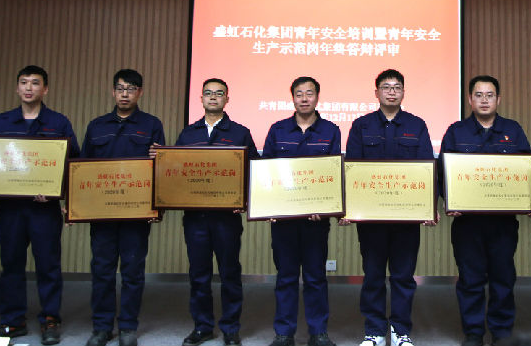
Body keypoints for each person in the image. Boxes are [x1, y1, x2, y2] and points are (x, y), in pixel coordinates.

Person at [0, 65, 80, 346]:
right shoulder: (1, 123)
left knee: (48, 265)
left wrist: (57, 192)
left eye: (35, 83)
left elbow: (73, 163)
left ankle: (50, 319)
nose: (28, 88)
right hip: (10, 209)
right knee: (11, 263)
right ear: (17, 88)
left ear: (45, 89)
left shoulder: (58, 123)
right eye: (24, 82)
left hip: (43, 209)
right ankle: (12, 320)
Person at [344, 69, 436, 346]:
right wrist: (348, 207)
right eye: (386, 87)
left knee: (403, 277)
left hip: (406, 217)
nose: (392, 92)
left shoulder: (417, 125)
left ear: (403, 92)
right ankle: (374, 331)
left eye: (397, 87)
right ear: (377, 93)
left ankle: (400, 330)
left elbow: (426, 168)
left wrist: (429, 207)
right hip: (371, 219)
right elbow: (352, 169)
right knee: (373, 276)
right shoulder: (361, 125)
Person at [439, 75, 531, 346]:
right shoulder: (456, 131)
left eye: (489, 95)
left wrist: (528, 201)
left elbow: (526, 170)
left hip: (503, 222)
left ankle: (501, 332)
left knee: (503, 278)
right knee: (470, 278)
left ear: (498, 99)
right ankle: (474, 332)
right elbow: (442, 172)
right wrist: (449, 199)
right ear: (470, 99)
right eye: (478, 95)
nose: (484, 100)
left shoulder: (513, 130)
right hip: (467, 222)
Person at [82, 69, 165, 346]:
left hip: (135, 213)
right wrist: (76, 207)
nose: (125, 94)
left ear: (140, 92)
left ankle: (128, 326)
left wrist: (157, 208)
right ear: (113, 92)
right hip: (103, 213)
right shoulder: (96, 126)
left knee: (132, 271)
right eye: (120, 88)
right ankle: (102, 327)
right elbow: (81, 169)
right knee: (102, 270)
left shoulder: (151, 124)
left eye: (130, 89)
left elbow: (161, 169)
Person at [174, 78, 258, 346]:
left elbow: (254, 171)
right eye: (208, 93)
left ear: (227, 99)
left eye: (219, 93)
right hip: (195, 218)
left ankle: (231, 328)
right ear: (200, 98)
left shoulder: (240, 133)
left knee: (230, 273)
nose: (213, 97)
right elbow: (175, 172)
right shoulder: (188, 134)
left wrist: (244, 200)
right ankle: (202, 327)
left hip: (227, 218)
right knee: (199, 274)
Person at [261, 76, 341, 346]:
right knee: (285, 276)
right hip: (283, 220)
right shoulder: (277, 130)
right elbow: (266, 171)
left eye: (309, 93)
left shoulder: (331, 130)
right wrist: (269, 205)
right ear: (292, 97)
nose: (304, 98)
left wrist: (325, 207)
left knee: (315, 276)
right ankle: (284, 333)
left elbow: (332, 172)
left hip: (315, 221)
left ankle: (318, 332)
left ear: (317, 97)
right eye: (299, 93)